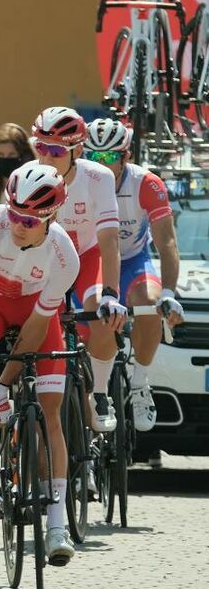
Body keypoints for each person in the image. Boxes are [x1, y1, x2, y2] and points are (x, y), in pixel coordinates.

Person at [0, 162, 79, 564]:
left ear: (51, 216)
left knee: (51, 415)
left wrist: (3, 384)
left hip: (35, 315)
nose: (17, 224)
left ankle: (57, 523)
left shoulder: (64, 256)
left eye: (28, 219)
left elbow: (38, 327)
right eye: (13, 212)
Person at [83, 118, 183, 430]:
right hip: (93, 261)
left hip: (132, 260)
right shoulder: (77, 181)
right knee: (100, 313)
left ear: (126, 156)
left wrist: (169, 292)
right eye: (93, 157)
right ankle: (97, 391)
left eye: (109, 157)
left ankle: (140, 385)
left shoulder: (146, 183)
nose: (101, 165)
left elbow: (166, 241)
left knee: (150, 303)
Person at [31, 106, 127, 432]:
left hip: (88, 256)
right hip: (48, 263)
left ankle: (99, 391)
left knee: (99, 309)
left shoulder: (97, 177)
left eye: (56, 150)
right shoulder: (28, 176)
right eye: (40, 147)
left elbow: (110, 238)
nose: (46, 157)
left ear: (78, 150)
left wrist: (112, 293)